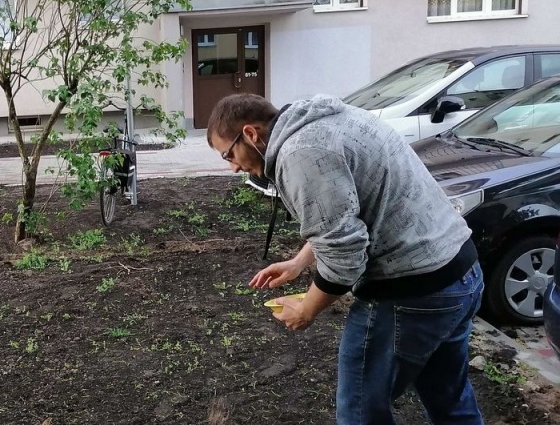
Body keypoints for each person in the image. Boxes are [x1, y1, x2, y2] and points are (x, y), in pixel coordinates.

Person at [207, 93, 484, 425]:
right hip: (459, 274)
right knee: (450, 402)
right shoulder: (326, 121)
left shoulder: (301, 154)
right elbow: (348, 212)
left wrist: (308, 308)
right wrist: (299, 262)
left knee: (360, 412)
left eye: (228, 154)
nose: (234, 166)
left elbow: (344, 255)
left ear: (251, 134)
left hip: (410, 294)